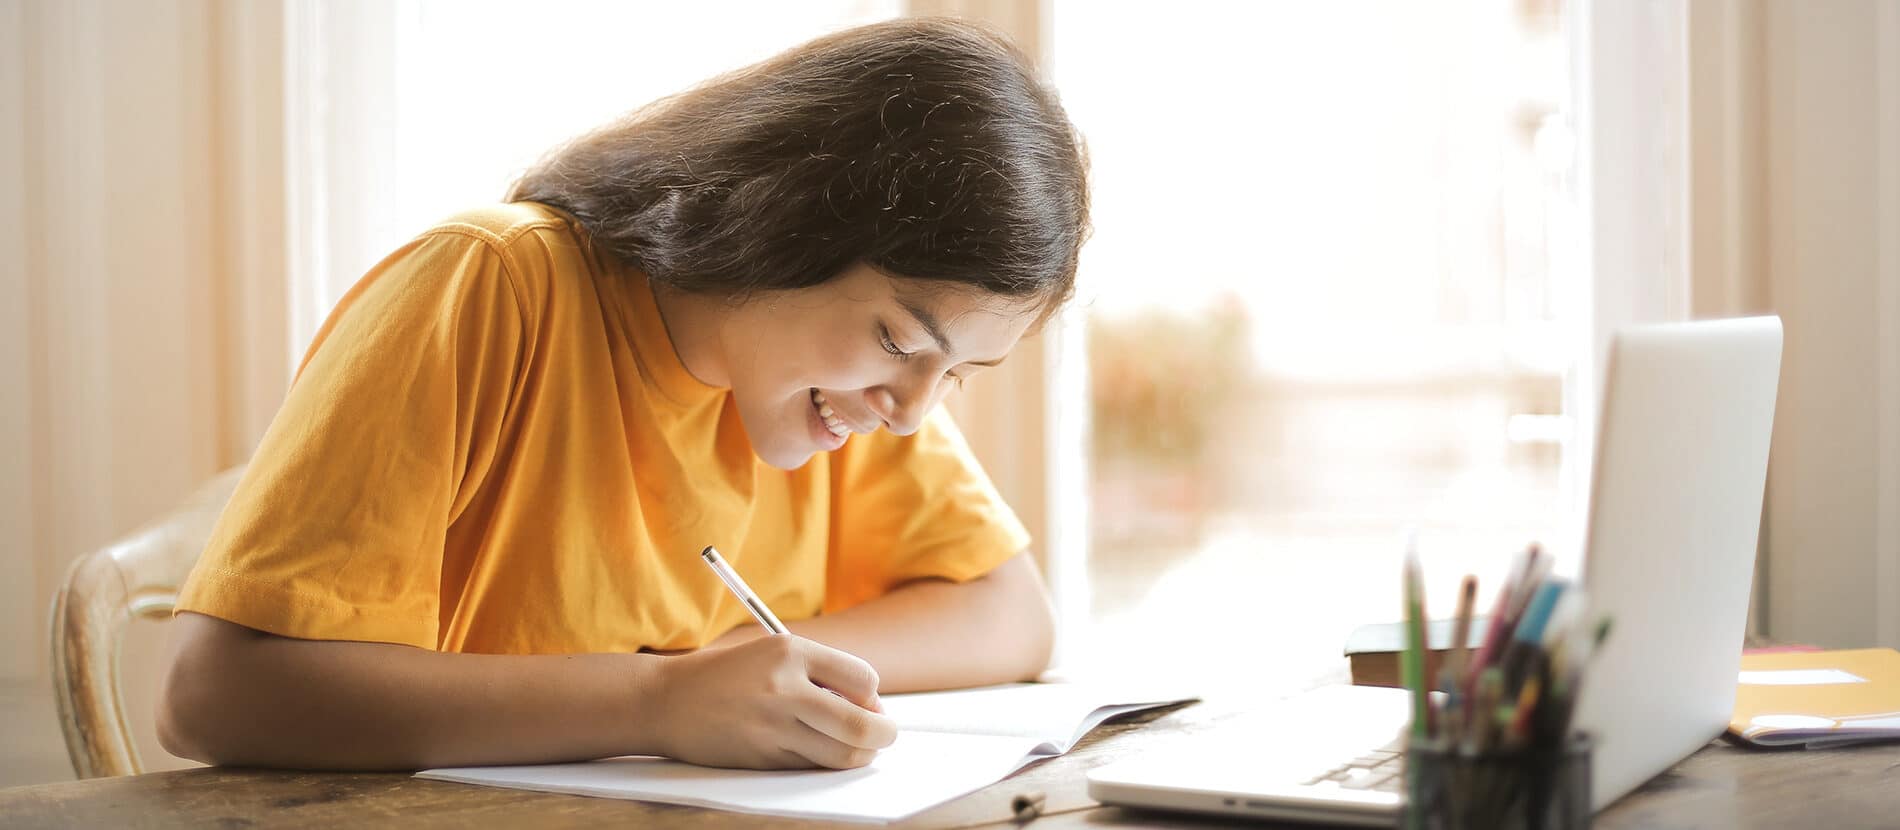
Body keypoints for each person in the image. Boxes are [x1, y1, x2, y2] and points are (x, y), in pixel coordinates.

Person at [156, 16, 1089, 774]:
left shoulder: (846, 392)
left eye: (956, 374)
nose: (914, 410)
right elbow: (213, 695)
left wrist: (749, 671)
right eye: (898, 341)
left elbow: (1011, 614)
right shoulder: (491, 288)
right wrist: (659, 702)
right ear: (780, 221)